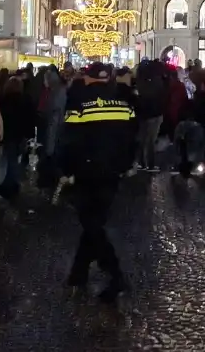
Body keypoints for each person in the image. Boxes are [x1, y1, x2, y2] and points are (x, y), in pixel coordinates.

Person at [62, 62, 133, 302]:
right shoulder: (123, 105)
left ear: (89, 79)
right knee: (94, 223)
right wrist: (123, 166)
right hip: (112, 174)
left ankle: (116, 274)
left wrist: (66, 170)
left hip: (87, 173)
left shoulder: (80, 104)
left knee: (92, 224)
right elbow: (131, 138)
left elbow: (69, 141)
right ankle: (78, 272)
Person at [0, 77, 36, 200]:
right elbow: (30, 118)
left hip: (6, 133)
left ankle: (6, 184)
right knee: (14, 159)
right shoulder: (26, 99)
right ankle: (12, 184)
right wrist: (30, 134)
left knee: (5, 159)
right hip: (20, 135)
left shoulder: (1, 99)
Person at [134, 59, 166, 172]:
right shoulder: (157, 80)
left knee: (143, 139)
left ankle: (142, 162)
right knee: (150, 140)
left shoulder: (139, 81)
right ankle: (150, 163)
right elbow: (161, 95)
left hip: (143, 113)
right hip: (155, 113)